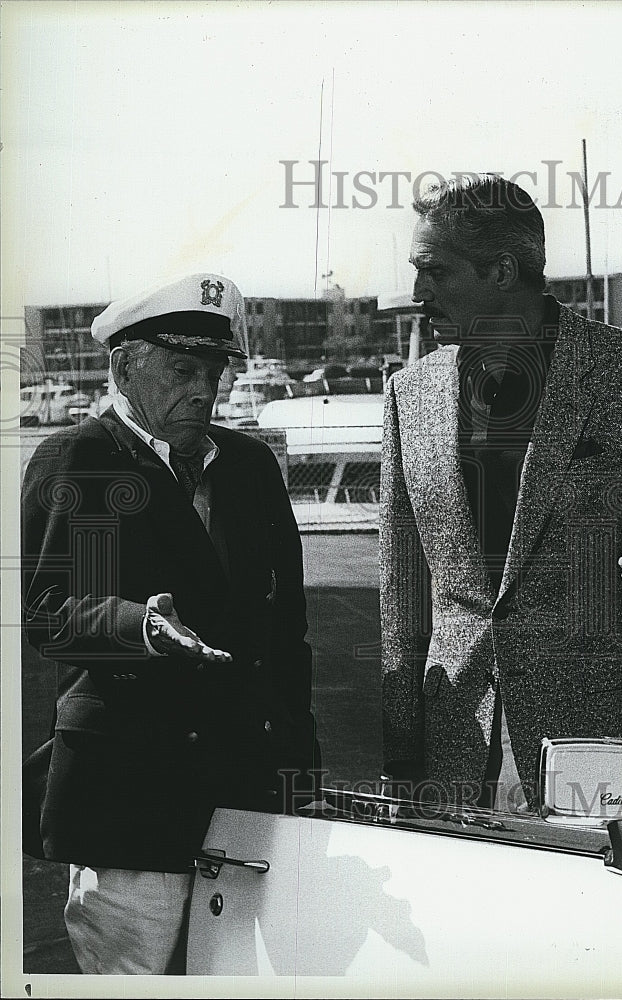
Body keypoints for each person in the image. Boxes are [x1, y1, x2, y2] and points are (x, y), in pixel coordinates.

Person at [379, 175, 622, 821]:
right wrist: (403, 747)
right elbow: (403, 587)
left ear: (502, 270)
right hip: (461, 750)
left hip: (609, 739)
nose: (417, 292)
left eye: (434, 270)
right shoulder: (410, 391)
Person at [22, 273, 319, 974]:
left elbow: (286, 635)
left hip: (249, 790)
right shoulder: (86, 463)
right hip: (133, 800)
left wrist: (299, 769)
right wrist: (140, 626)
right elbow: (54, 612)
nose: (204, 390)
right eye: (183, 369)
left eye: (213, 372)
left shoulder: (247, 466)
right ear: (125, 368)